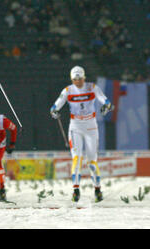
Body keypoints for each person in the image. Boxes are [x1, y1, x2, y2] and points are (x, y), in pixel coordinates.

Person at [50, 66, 113, 202]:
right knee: (77, 158)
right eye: (75, 79)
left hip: (91, 126)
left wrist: (106, 106)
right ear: (71, 79)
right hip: (76, 127)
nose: (77, 82)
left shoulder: (92, 87)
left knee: (91, 160)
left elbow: (105, 100)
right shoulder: (68, 90)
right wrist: (54, 111)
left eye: (80, 79)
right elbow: (56, 105)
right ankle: (76, 190)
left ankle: (97, 189)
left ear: (84, 78)